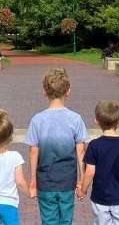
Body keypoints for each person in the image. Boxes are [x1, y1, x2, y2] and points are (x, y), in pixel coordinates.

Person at [25, 67, 89, 225]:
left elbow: (34, 152)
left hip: (45, 181)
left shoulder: (37, 120)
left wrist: (33, 180)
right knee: (66, 220)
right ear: (68, 91)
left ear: (44, 92)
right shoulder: (75, 119)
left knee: (48, 220)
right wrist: (82, 179)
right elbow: (81, 151)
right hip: (68, 181)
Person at [77, 100, 119, 225]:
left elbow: (90, 171)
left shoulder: (94, 146)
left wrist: (83, 189)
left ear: (97, 121)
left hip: (100, 197)